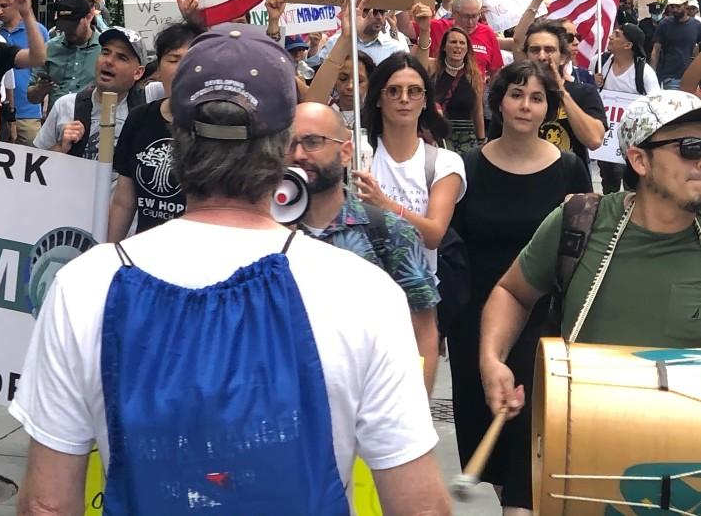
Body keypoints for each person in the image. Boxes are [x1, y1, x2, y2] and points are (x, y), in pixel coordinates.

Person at [10, 24, 450, 514]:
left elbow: (46, 505)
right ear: (284, 148)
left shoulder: (84, 286)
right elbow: (421, 507)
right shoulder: (361, 292)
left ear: (176, 141)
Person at [481, 90, 701, 430]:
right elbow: (513, 292)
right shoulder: (581, 221)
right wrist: (492, 360)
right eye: (691, 148)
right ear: (640, 160)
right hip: (582, 444)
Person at [448, 61, 591, 514]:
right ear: (499, 101)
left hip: (543, 318)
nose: (525, 106)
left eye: (536, 98)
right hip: (477, 318)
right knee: (484, 423)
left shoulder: (569, 169)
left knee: (529, 428)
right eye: (516, 95)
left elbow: (582, 245)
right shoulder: (468, 166)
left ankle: (520, 502)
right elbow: (453, 243)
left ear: (548, 107)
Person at [289, 102, 441, 392]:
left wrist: (414, 413)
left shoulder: (388, 232)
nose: (298, 155)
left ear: (346, 152)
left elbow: (423, 330)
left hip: (367, 407)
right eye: (289, 143)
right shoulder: (265, 232)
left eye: (312, 142)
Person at [353, 53, 465, 278]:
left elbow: (433, 235)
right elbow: (311, 106)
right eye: (394, 91)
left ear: (425, 101)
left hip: (418, 291)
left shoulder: (444, 162)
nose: (404, 99)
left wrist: (384, 204)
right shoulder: (357, 152)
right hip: (362, 284)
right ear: (377, 99)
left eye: (414, 91)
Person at [107, 22, 201, 240]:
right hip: (143, 251)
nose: (182, 68)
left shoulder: (215, 127)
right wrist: (111, 251)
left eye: (191, 60)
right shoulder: (139, 119)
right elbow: (124, 201)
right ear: (158, 68)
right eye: (173, 59)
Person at [35, 27, 164, 159]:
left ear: (138, 72)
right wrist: (60, 147)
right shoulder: (66, 105)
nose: (108, 61)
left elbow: (182, 77)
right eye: (105, 52)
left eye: (121, 57)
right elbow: (34, 166)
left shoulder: (150, 99)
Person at [516, 21, 606, 173]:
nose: (542, 56)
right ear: (526, 56)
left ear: (563, 57)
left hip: (570, 185)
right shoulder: (513, 95)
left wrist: (561, 91)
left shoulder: (584, 92)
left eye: (549, 50)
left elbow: (594, 140)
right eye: (535, 50)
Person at [412, 3, 486, 153]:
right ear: (444, 47)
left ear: (467, 49)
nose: (457, 46)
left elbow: (478, 111)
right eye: (453, 42)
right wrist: (425, 30)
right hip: (436, 136)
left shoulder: (474, 75)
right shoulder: (433, 67)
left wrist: (482, 141)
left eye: (462, 43)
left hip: (466, 140)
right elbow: (420, 61)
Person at [595, 24, 660, 193]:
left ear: (628, 45)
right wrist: (593, 82)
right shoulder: (601, 62)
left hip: (632, 138)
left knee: (631, 180)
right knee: (609, 178)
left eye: (617, 35)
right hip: (607, 137)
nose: (610, 37)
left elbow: (656, 103)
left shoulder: (644, 73)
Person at [0, 0, 50, 145]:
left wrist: (45, 101)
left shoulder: (36, 31)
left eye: (4, 5)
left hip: (28, 111)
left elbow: (46, 66)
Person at [29, 0, 101, 112]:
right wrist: (40, 88)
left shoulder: (103, 49)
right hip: (57, 122)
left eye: (73, 26)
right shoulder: (50, 48)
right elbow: (32, 98)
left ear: (88, 17)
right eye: (64, 26)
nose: (68, 31)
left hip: (90, 121)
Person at [423, 0, 505, 82]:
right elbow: (407, 28)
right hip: (440, 92)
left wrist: (494, 94)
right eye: (466, 16)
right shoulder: (437, 26)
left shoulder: (488, 33)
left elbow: (495, 71)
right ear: (454, 12)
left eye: (474, 16)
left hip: (474, 93)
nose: (470, 22)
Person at [651, 0, 701, 89]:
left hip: (690, 77)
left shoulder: (696, 25)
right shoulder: (665, 24)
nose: (674, 10)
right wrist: (652, 74)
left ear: (686, 5)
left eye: (678, 6)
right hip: (669, 76)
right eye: (672, 6)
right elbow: (655, 50)